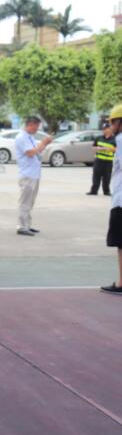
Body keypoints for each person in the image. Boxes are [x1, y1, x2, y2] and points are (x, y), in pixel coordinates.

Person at [14, 116, 53, 236]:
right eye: (36, 127)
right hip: (27, 174)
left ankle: (27, 225)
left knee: (30, 202)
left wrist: (45, 144)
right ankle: (21, 226)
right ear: (30, 125)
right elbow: (30, 152)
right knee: (24, 202)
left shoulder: (30, 137)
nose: (37, 129)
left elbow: (37, 151)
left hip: (34, 174)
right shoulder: (21, 137)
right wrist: (43, 143)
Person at [100, 104, 122, 295]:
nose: (111, 126)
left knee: (120, 243)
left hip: (121, 201)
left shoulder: (121, 140)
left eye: (113, 122)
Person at [87, 120, 116, 196]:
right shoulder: (99, 138)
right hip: (98, 161)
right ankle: (94, 191)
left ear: (109, 129)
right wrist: (98, 148)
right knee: (96, 176)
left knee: (107, 177)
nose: (104, 130)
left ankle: (106, 191)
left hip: (108, 162)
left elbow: (117, 149)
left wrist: (108, 148)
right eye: (103, 129)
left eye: (105, 129)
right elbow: (93, 147)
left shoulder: (114, 139)